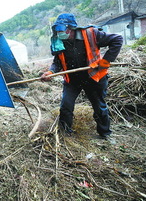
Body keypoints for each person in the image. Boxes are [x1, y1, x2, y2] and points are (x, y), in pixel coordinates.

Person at [40, 13, 123, 141]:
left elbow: (117, 40)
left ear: (71, 28)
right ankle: (65, 134)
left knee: (99, 107)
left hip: (93, 77)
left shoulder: (91, 34)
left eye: (62, 30)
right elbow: (57, 62)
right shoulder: (59, 42)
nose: (59, 33)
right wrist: (51, 72)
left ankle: (105, 134)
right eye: (58, 30)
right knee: (66, 106)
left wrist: (105, 62)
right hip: (72, 80)